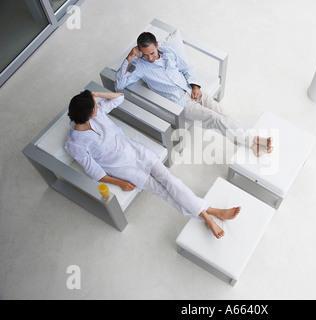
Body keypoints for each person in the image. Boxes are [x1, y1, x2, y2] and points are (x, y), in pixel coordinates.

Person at [64, 90, 240, 239]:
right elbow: (95, 172)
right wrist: (120, 182)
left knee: (171, 181)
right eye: (94, 105)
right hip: (125, 170)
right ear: (87, 115)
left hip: (138, 152)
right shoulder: (75, 144)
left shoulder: (97, 114)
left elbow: (119, 97)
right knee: (164, 192)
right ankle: (208, 216)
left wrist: (92, 94)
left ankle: (211, 213)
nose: (97, 104)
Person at [115, 32, 273, 157]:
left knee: (223, 114)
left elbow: (186, 69)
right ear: (139, 52)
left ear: (157, 45)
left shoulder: (169, 52)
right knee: (216, 118)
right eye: (145, 54)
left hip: (192, 90)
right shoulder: (140, 66)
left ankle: (251, 145)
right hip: (181, 104)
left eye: (152, 53)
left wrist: (195, 85)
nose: (150, 58)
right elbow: (119, 84)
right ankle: (255, 139)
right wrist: (129, 57)